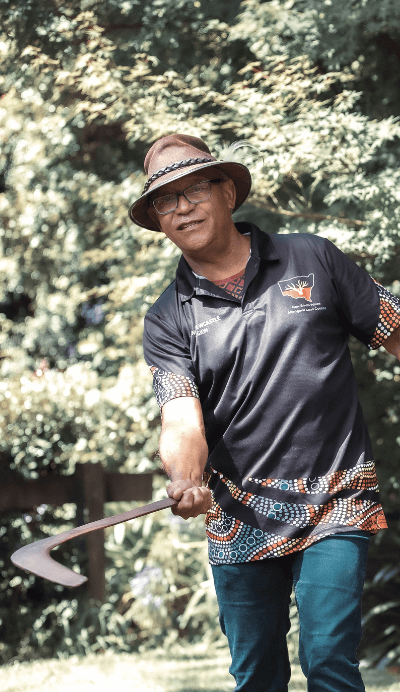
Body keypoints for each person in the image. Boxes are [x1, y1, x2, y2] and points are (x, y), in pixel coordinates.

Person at [128, 134, 400, 692]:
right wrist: (186, 478)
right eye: (165, 200)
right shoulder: (167, 318)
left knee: (328, 661)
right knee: (256, 678)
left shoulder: (312, 257)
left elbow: (396, 329)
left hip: (335, 499)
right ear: (157, 221)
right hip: (239, 514)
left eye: (194, 189)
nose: (181, 207)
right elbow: (180, 416)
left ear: (227, 192)